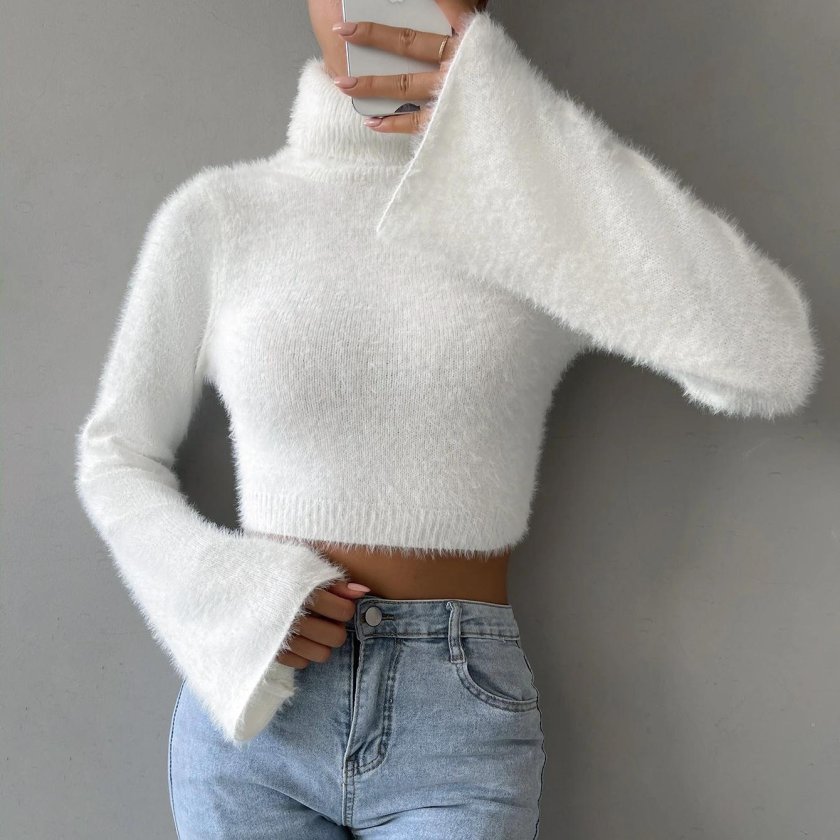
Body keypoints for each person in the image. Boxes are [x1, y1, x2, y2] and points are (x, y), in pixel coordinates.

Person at [74, 1, 821, 837]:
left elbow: (769, 355)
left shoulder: (534, 216)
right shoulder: (222, 215)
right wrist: (228, 596)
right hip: (255, 716)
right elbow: (114, 452)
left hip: (455, 731)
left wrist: (510, 120)